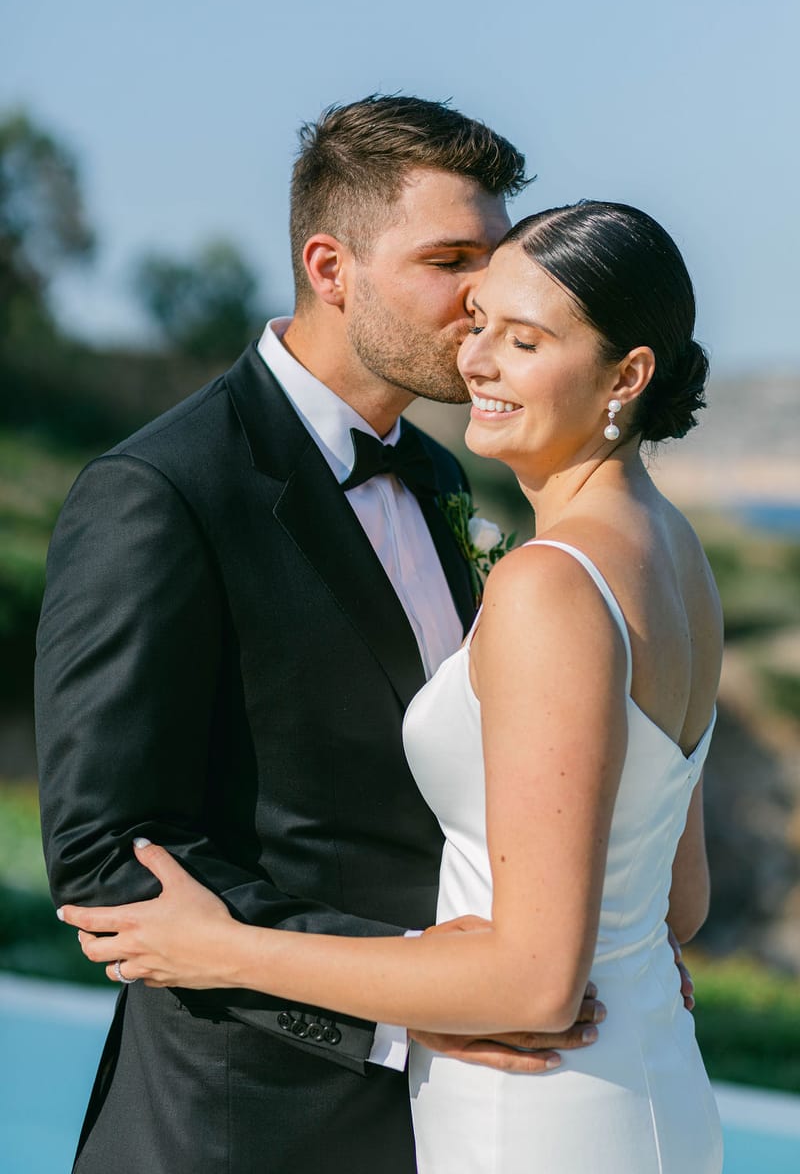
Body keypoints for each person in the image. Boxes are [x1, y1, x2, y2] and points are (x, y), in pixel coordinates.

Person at [61, 200, 725, 1173]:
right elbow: (679, 904)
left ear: (625, 375)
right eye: (480, 321)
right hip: (644, 1078)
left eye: (524, 339)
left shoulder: (549, 583)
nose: (477, 360)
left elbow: (534, 988)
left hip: (531, 1106)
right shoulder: (677, 559)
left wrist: (224, 949)